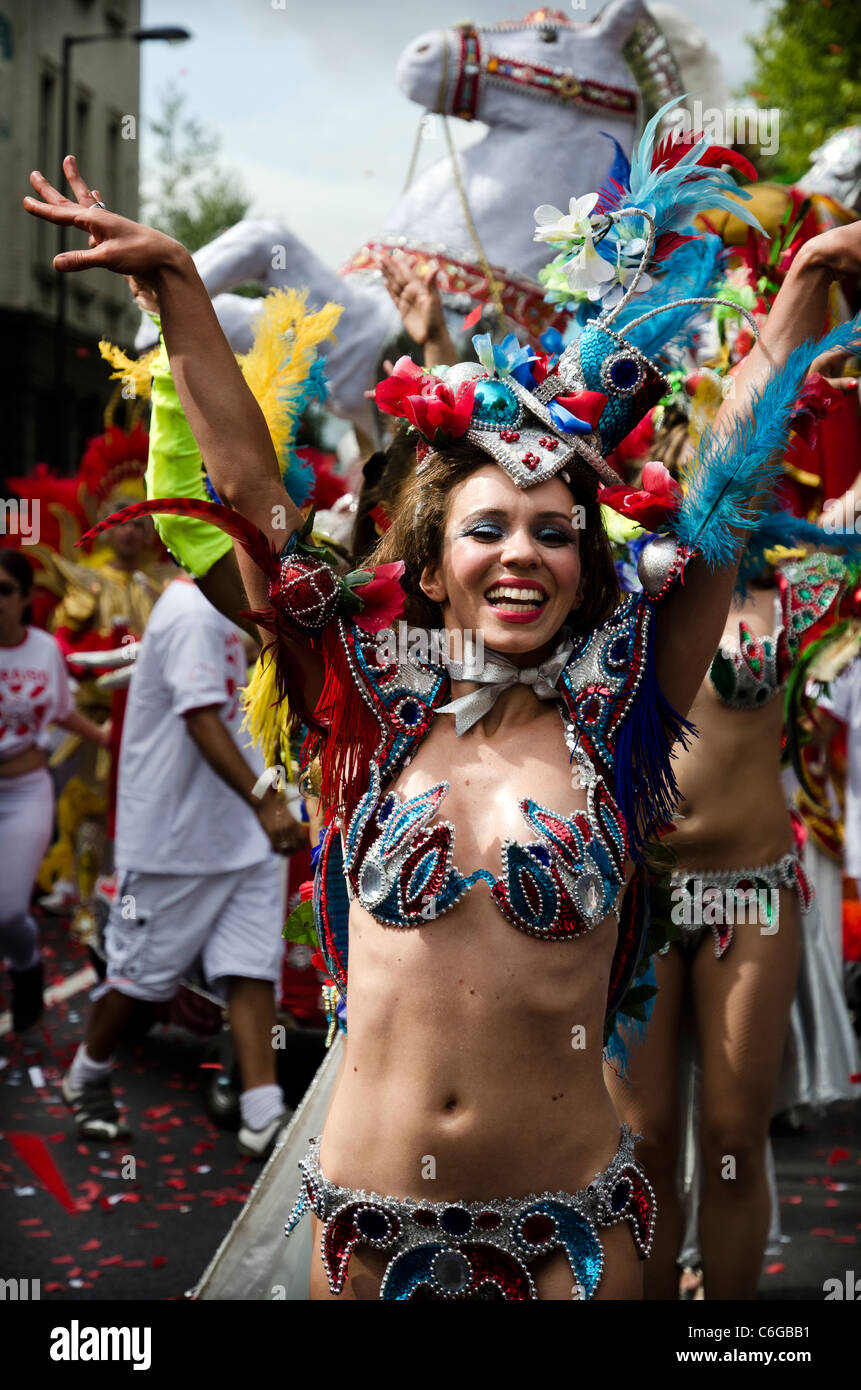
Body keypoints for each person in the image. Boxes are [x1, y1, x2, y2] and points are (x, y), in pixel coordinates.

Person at [24, 141, 861, 1299]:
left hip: (578, 1238)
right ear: (428, 564)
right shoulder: (359, 699)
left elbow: (720, 495)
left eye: (554, 530)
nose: (521, 551)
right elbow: (254, 497)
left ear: (588, 566)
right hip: (368, 1239)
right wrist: (176, 284)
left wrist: (808, 280)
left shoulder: (622, 707)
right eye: (487, 528)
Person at [605, 552, 859, 1299]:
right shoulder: (607, 574)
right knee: (640, 1143)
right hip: (641, 893)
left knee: (733, 1140)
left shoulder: (794, 587)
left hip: (745, 894)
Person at [59, 572, 305, 1156]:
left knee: (251, 967)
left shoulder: (226, 606)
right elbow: (199, 718)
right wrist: (270, 806)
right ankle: (86, 1074)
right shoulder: (192, 609)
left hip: (238, 838)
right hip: (176, 841)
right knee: (142, 979)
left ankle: (262, 1114)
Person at [0, 548, 109, 1032]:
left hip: (25, 793)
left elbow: (64, 711)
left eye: (5, 591)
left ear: (25, 598)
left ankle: (26, 967)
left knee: (7, 912)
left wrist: (113, 738)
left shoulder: (44, 650)